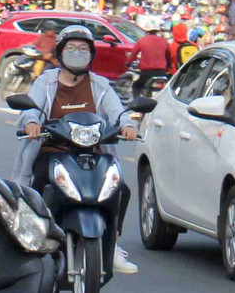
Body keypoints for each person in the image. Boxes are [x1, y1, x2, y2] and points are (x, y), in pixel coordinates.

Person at [12, 25, 142, 276]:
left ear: (92, 54)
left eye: (83, 48)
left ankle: (111, 243)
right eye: (71, 48)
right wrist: (31, 122)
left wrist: (127, 126)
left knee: (120, 189)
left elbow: (118, 111)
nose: (77, 53)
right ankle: (36, 239)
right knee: (38, 185)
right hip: (52, 150)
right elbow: (32, 107)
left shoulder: (101, 85)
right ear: (60, 53)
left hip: (92, 153)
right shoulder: (45, 82)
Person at [133, 24, 174, 97]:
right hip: (161, 73)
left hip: (146, 73)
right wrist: (169, 65)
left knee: (136, 86)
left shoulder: (142, 40)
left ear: (147, 31)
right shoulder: (164, 41)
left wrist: (128, 63)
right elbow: (169, 56)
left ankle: (136, 103)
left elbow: (134, 53)